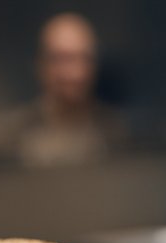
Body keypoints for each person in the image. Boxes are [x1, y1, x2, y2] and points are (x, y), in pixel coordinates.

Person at [20, 13, 126, 166]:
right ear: (41, 65)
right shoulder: (17, 137)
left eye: (84, 58)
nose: (75, 73)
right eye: (63, 59)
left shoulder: (115, 133)